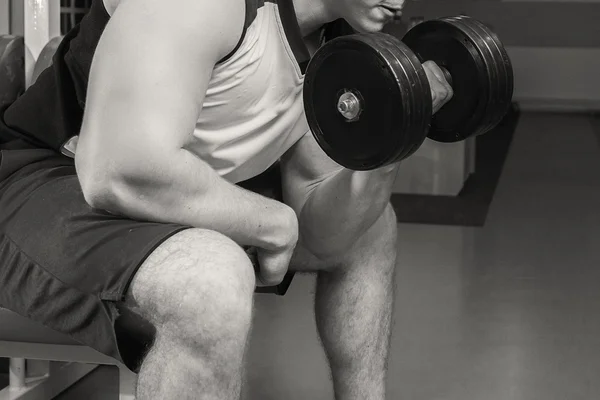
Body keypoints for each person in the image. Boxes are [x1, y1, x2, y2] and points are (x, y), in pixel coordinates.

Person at [0, 0, 452, 398]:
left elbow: (326, 236)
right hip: (40, 182)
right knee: (211, 280)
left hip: (163, 191)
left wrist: (394, 133)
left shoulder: (338, 49)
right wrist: (273, 223)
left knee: (371, 228)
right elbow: (117, 170)